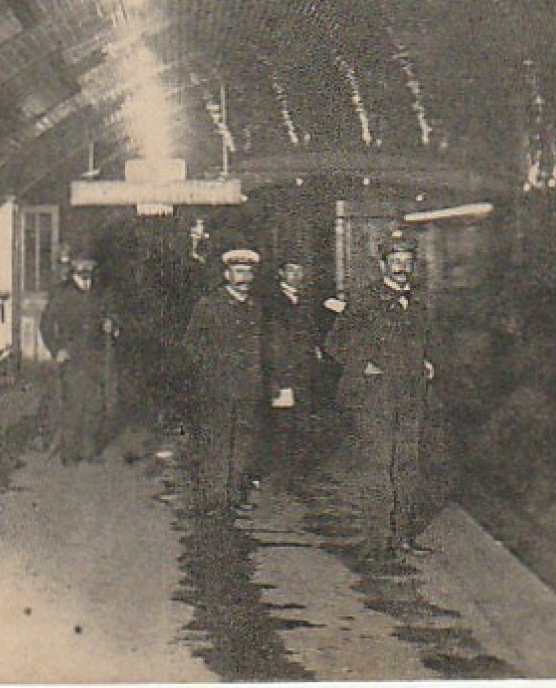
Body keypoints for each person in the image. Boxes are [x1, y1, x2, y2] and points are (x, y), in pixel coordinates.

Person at [325, 229, 437, 559]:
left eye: (407, 262)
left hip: (410, 396)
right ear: (382, 265)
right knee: (377, 466)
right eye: (396, 261)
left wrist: (426, 361)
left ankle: (403, 536)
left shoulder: (416, 303)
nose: (402, 268)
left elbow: (419, 343)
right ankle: (378, 540)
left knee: (407, 465)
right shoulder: (365, 299)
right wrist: (365, 366)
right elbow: (335, 343)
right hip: (376, 398)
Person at [183, 249, 265, 510]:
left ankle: (234, 495)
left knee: (243, 441)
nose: (244, 277)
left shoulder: (255, 307)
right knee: (217, 442)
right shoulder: (209, 305)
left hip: (247, 386)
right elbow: (191, 345)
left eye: (248, 272)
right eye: (239, 271)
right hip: (216, 387)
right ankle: (215, 498)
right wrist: (210, 373)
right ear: (226, 274)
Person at [39, 254, 119, 464]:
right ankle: (70, 453)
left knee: (95, 403)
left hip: (95, 354)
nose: (85, 268)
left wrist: (111, 324)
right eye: (81, 264)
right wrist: (57, 350)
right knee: (73, 403)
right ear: (73, 266)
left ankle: (89, 450)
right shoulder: (62, 292)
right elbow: (46, 325)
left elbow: (109, 314)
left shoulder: (99, 291)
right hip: (72, 355)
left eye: (89, 264)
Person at [261, 256, 325, 493]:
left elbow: (311, 333)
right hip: (283, 373)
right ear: (281, 273)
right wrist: (276, 375)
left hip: (304, 373)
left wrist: (315, 350)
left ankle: (297, 475)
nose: (297, 276)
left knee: (303, 423)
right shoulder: (271, 302)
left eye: (300, 271)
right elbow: (270, 342)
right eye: (292, 271)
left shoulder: (305, 301)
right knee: (283, 426)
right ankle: (282, 477)